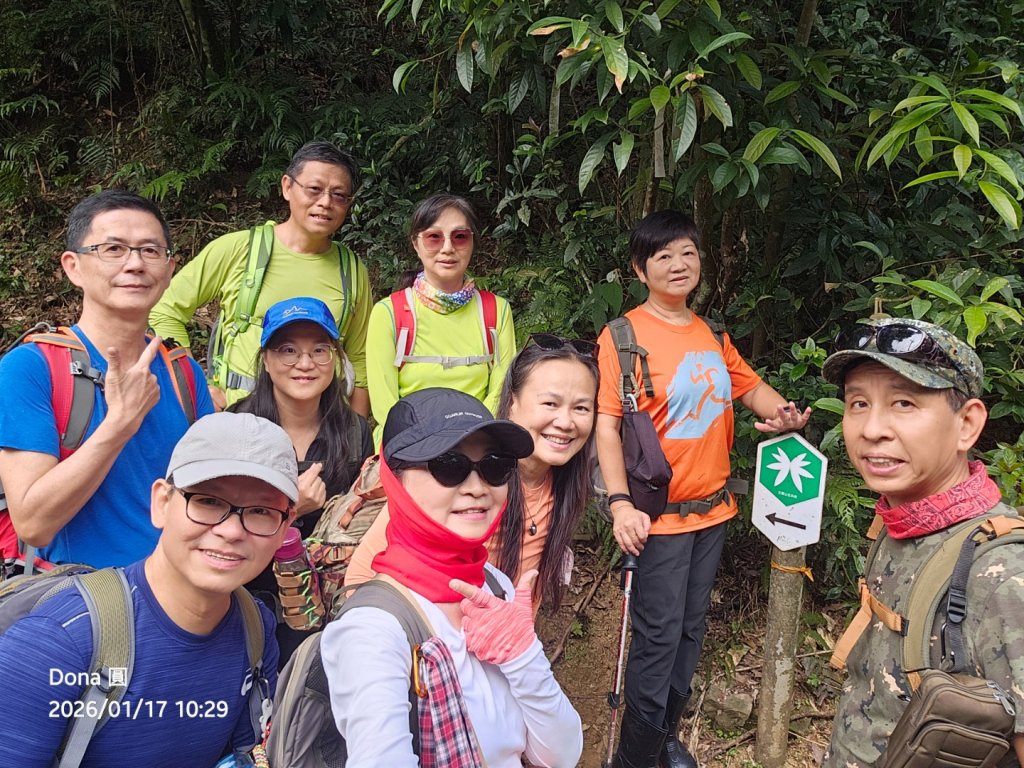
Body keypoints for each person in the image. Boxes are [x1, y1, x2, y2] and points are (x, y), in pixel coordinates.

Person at [595, 210, 810, 768]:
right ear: (640, 269)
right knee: (659, 636)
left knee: (690, 632)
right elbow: (606, 427)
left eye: (687, 252)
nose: (677, 264)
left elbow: (751, 387)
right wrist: (619, 504)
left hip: (712, 513)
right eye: (662, 255)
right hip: (656, 519)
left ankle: (665, 736)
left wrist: (784, 415)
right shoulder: (623, 337)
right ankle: (635, 756)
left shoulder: (711, 333)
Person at [0, 411, 297, 767]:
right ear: (161, 503)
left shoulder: (255, 628)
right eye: (208, 501)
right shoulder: (58, 642)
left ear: (285, 527)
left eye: (261, 511)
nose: (231, 531)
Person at [321, 387, 583, 767]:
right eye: (448, 465)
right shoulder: (372, 629)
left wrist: (524, 657)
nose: (477, 487)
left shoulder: (494, 585)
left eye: (494, 466)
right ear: (394, 480)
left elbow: (560, 755)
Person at [820, 318, 1024, 766]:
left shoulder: (1004, 575)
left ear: (967, 424)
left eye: (904, 403)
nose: (872, 428)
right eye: (858, 402)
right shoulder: (901, 521)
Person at [0, 190, 215, 568]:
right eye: (113, 249)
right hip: (81, 598)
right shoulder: (31, 367)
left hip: (180, 593)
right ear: (73, 267)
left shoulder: (183, 372)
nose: (135, 263)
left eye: (151, 251)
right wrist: (120, 424)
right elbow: (34, 524)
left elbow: (208, 491)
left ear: (169, 269)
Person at [346, 335, 599, 611]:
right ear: (512, 402)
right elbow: (360, 578)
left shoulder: (562, 487)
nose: (565, 422)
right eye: (550, 404)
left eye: (581, 408)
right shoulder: (458, 482)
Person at [149, 140, 372, 415]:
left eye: (339, 195)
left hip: (321, 426)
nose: (325, 202)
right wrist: (193, 386)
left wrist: (355, 433)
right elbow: (165, 310)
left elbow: (360, 357)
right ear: (287, 187)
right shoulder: (239, 249)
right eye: (314, 189)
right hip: (240, 420)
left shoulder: (350, 269)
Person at [230, 295, 372, 662]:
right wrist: (291, 511)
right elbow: (221, 528)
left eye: (319, 350)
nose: (305, 364)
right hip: (244, 599)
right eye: (288, 350)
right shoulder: (237, 428)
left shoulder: (354, 432)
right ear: (266, 358)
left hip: (328, 610)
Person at [365, 193, 516, 446]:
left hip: (477, 439)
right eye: (434, 237)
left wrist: (466, 437)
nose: (447, 248)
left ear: (472, 242)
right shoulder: (389, 313)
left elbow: (501, 391)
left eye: (459, 237)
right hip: (404, 442)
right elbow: (385, 405)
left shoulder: (496, 311)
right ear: (416, 243)